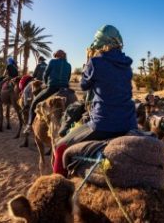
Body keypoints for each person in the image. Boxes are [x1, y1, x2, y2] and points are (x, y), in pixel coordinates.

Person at [53, 24, 137, 176]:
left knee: (60, 146)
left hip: (103, 123)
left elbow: (84, 85)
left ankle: (58, 183)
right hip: (129, 122)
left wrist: (89, 60)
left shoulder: (96, 62)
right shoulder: (127, 65)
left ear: (100, 43)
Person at [19, 50, 72, 147]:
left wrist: (46, 84)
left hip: (52, 88)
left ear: (56, 56)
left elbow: (45, 75)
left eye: (55, 55)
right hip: (65, 89)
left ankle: (29, 125)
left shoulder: (52, 61)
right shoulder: (68, 65)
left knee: (34, 102)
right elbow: (68, 78)